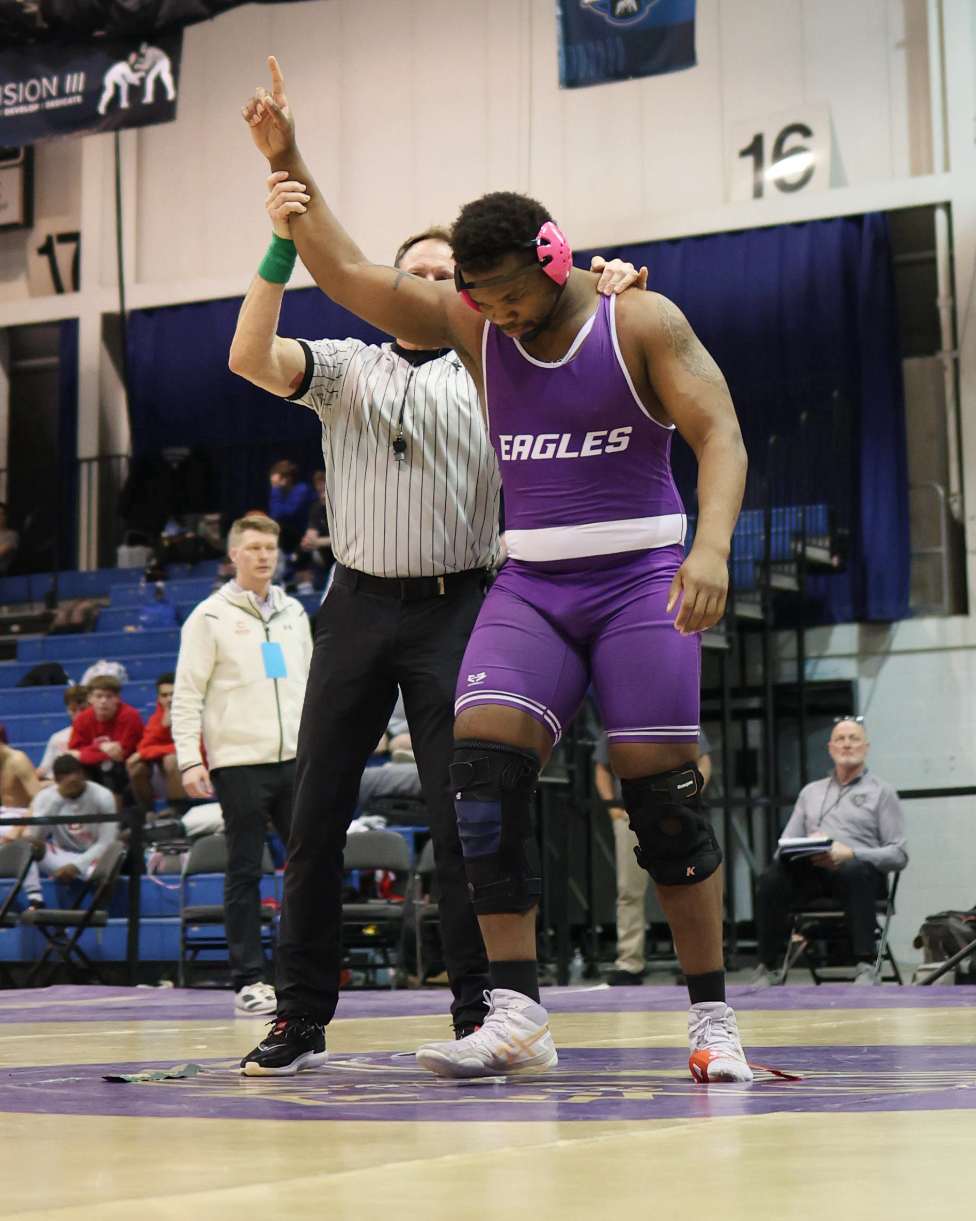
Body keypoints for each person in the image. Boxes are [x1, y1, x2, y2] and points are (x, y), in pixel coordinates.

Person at [239, 58, 749, 1083]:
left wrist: (710, 548)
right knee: (478, 771)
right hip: (534, 584)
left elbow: (721, 431)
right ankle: (515, 1011)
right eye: (485, 298)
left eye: (515, 293)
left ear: (557, 262)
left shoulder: (636, 317)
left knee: (664, 804)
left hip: (637, 575)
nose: (503, 313)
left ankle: (710, 1019)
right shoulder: (468, 322)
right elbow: (341, 273)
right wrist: (287, 160)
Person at [171, 514, 313, 1016]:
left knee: (310, 866)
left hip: (297, 758)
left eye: (270, 547)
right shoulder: (208, 617)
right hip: (238, 762)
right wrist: (191, 758)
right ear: (233, 555)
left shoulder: (295, 612)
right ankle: (249, 979)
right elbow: (187, 694)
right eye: (253, 547)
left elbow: (311, 686)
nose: (263, 556)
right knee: (246, 869)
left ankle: (302, 972)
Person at [751, 718, 908, 987]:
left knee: (852, 869)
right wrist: (805, 846)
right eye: (841, 739)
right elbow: (783, 847)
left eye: (854, 738)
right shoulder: (811, 792)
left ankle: (866, 964)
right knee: (771, 878)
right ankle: (770, 966)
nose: (847, 744)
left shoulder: (881, 792)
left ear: (866, 747)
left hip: (859, 876)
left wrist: (852, 853)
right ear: (830, 747)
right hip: (813, 875)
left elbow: (899, 854)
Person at [596, 724, 713, 986]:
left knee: (682, 884)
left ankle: (690, 962)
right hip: (631, 815)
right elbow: (601, 768)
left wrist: (686, 798)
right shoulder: (616, 717)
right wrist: (613, 809)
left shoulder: (677, 713)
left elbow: (703, 762)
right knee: (629, 891)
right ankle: (629, 962)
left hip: (675, 813)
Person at [18, 756, 118, 898]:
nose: (72, 786)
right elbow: (37, 835)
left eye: (75, 780)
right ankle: (35, 897)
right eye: (66, 782)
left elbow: (107, 841)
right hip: (62, 856)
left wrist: (77, 866)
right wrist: (59, 798)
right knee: (28, 844)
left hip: (94, 856)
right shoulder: (46, 797)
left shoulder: (102, 796)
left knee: (110, 866)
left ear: (82, 775)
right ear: (58, 781)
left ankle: (99, 912)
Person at [66, 674, 145, 795]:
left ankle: (115, 812)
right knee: (73, 768)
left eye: (109, 696)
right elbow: (73, 753)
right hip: (92, 766)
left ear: (117, 698)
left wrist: (84, 754)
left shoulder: (130, 715)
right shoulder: (82, 718)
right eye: (99, 696)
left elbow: (121, 754)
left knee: (113, 768)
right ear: (90, 698)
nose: (103, 701)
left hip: (124, 766)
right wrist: (100, 747)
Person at [127, 672, 185, 813]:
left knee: (170, 760)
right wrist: (163, 727)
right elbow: (144, 747)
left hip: (197, 774)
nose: (169, 700)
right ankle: (147, 814)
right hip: (166, 777)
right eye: (164, 695)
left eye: (173, 694)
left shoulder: (197, 715)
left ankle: (179, 809)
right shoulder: (156, 719)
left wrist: (145, 753)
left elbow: (192, 747)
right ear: (158, 698)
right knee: (137, 768)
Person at [38, 686, 90, 779]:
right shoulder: (57, 737)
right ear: (67, 710)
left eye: (82, 709)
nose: (78, 714)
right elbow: (43, 770)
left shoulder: (97, 735)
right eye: (73, 710)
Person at [268, 460, 313, 561]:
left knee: (279, 527)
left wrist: (275, 489)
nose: (275, 485)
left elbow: (280, 514)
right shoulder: (283, 493)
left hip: (303, 532)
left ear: (286, 479)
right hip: (290, 534)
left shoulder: (302, 490)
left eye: (276, 481)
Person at [298, 470, 332, 589]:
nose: (323, 496)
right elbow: (311, 533)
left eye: (325, 490)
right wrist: (308, 541)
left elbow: (344, 540)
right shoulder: (317, 508)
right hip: (324, 562)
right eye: (319, 492)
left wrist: (317, 542)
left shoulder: (346, 508)